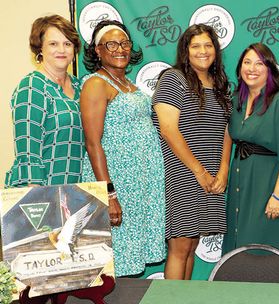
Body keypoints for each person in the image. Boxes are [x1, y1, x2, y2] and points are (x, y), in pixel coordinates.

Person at [80, 20, 166, 277]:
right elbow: (93, 143)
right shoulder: (96, 84)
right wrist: (109, 194)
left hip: (138, 187)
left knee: (127, 264)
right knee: (112, 265)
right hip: (118, 185)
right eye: (111, 44)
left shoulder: (128, 84)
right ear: (98, 51)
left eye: (125, 43)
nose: (120, 49)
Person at [152, 24, 232, 280]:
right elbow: (168, 129)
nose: (203, 51)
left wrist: (223, 170)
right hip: (181, 171)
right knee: (180, 245)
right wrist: (198, 171)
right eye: (196, 45)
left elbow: (228, 130)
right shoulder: (173, 78)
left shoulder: (219, 84)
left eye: (208, 45)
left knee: (192, 244)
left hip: (209, 173)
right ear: (185, 51)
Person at [221, 43, 279, 259]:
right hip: (240, 183)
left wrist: (278, 195)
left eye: (259, 63)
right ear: (239, 68)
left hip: (268, 184)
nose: (252, 68)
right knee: (238, 245)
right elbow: (229, 135)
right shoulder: (236, 101)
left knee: (265, 245)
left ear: (270, 69)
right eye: (247, 62)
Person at [5, 15, 82, 187]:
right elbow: (27, 150)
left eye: (67, 44)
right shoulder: (32, 86)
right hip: (42, 190)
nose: (61, 50)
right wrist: (36, 196)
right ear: (40, 48)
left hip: (77, 192)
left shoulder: (80, 86)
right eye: (53, 44)